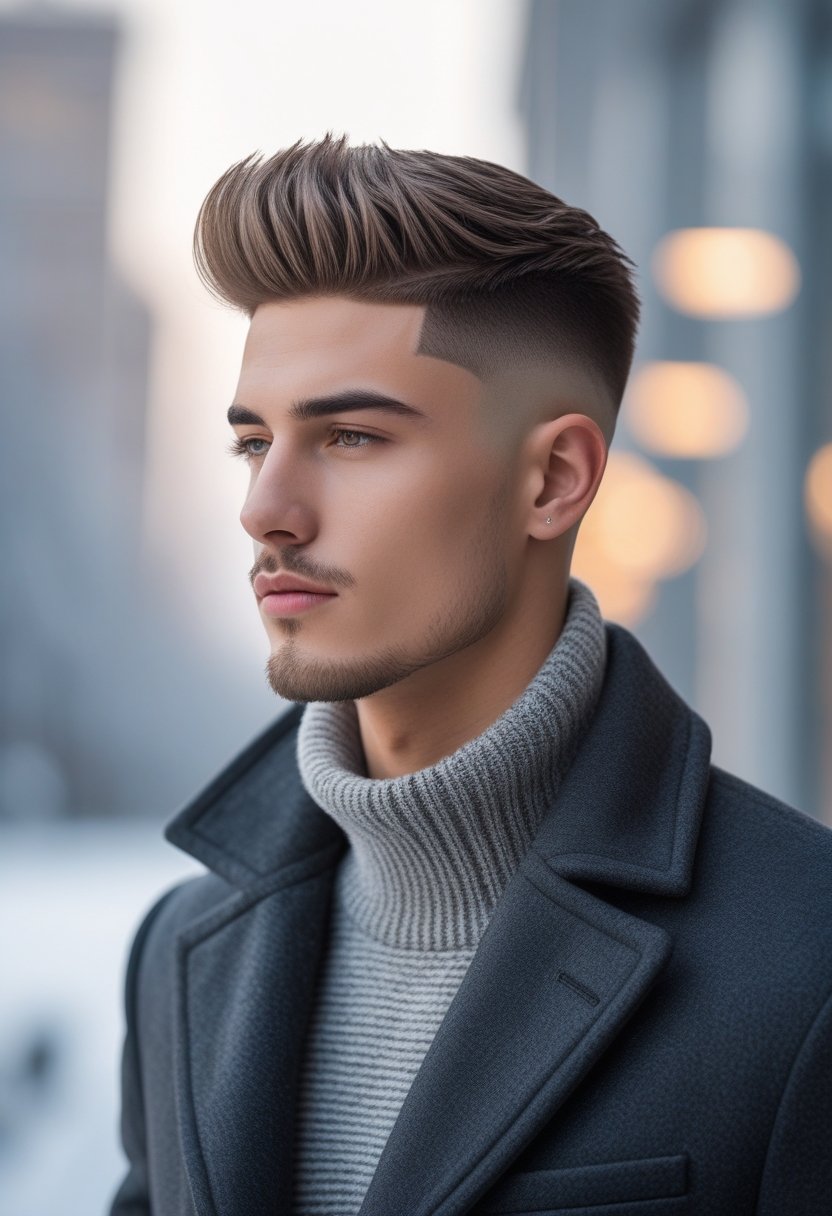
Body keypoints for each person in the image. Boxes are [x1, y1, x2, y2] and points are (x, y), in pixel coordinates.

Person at [108, 135, 832, 1216]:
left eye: (351, 437)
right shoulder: (182, 948)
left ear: (553, 479)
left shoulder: (807, 960)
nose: (267, 510)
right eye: (254, 443)